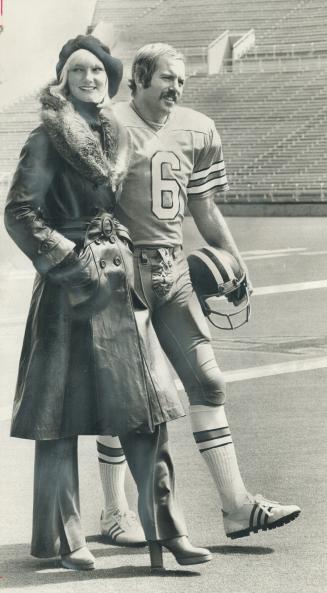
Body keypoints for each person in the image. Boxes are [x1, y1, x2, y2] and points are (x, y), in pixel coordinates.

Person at [4, 35, 212, 571]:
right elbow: (20, 213)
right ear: (62, 80)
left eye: (98, 71)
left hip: (119, 280)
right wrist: (73, 260)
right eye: (78, 71)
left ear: (110, 79)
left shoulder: (116, 134)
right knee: (59, 414)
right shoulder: (46, 139)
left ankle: (167, 529)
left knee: (145, 407)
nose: (90, 79)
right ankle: (65, 535)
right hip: (68, 286)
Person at [97, 42, 301, 545]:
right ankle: (113, 511)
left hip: (171, 272)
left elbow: (203, 207)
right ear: (139, 79)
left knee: (207, 383)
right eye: (166, 78)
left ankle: (236, 507)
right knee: (124, 397)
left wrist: (237, 261)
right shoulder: (107, 123)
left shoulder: (198, 126)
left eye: (182, 80)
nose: (176, 88)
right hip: (118, 272)